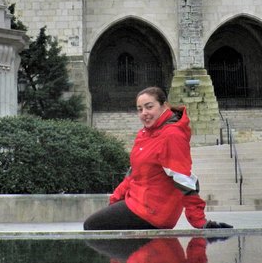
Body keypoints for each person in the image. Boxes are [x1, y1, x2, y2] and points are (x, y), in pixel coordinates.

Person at [83, 86, 232, 231]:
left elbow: (183, 179)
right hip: (137, 201)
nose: (144, 113)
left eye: (149, 107)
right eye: (140, 109)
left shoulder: (172, 135)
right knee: (100, 226)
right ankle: (138, 256)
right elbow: (134, 173)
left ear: (164, 106)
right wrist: (115, 200)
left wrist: (199, 221)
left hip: (153, 211)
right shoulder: (144, 134)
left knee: (91, 226)